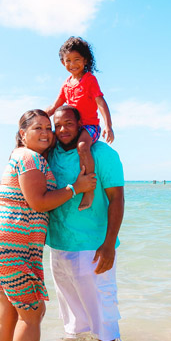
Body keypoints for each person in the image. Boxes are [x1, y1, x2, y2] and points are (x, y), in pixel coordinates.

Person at [0, 109, 96, 341]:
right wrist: (76, 188)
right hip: (11, 246)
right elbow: (38, 202)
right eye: (37, 128)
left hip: (1, 245)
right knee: (33, 312)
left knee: (8, 312)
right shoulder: (29, 157)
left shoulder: (23, 155)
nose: (46, 133)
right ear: (23, 134)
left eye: (47, 128)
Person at [46, 105, 125, 341]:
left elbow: (117, 199)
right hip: (58, 248)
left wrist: (109, 244)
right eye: (57, 125)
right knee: (72, 321)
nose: (62, 130)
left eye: (68, 123)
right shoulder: (51, 154)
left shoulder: (101, 153)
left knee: (103, 318)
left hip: (93, 248)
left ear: (81, 124)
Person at [47, 36, 114, 212]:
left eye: (77, 59)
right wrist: (35, 118)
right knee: (49, 141)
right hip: (70, 127)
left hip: (89, 126)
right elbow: (55, 106)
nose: (73, 64)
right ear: (63, 63)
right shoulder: (66, 84)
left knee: (83, 146)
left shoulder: (90, 80)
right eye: (68, 60)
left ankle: (89, 189)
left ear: (85, 60)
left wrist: (108, 126)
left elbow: (100, 102)